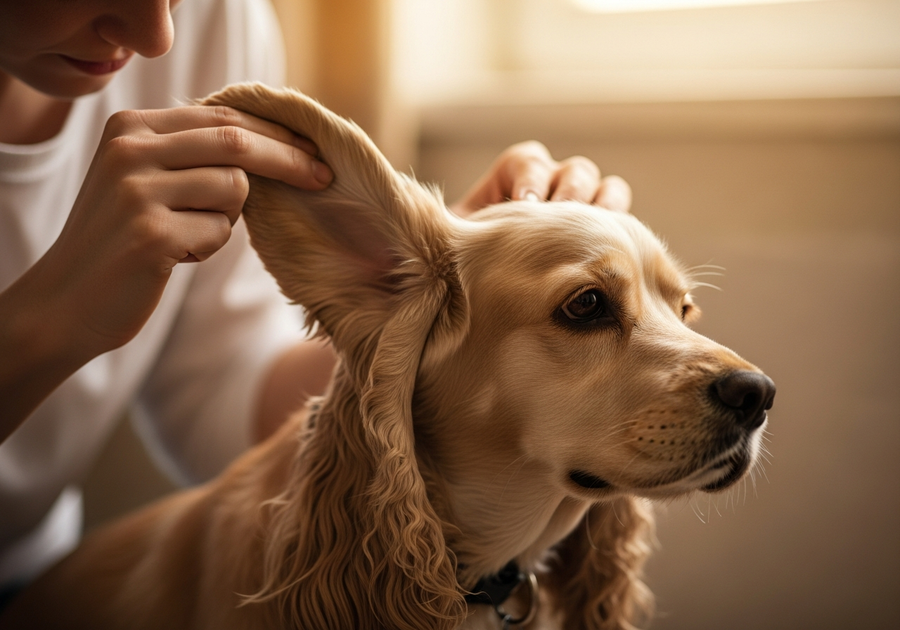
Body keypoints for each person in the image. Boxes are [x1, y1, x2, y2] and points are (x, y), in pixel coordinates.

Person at [0, 0, 632, 600]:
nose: (155, 38)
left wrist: (419, 310)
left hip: (40, 573)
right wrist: (52, 321)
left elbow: (220, 389)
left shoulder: (216, 19)